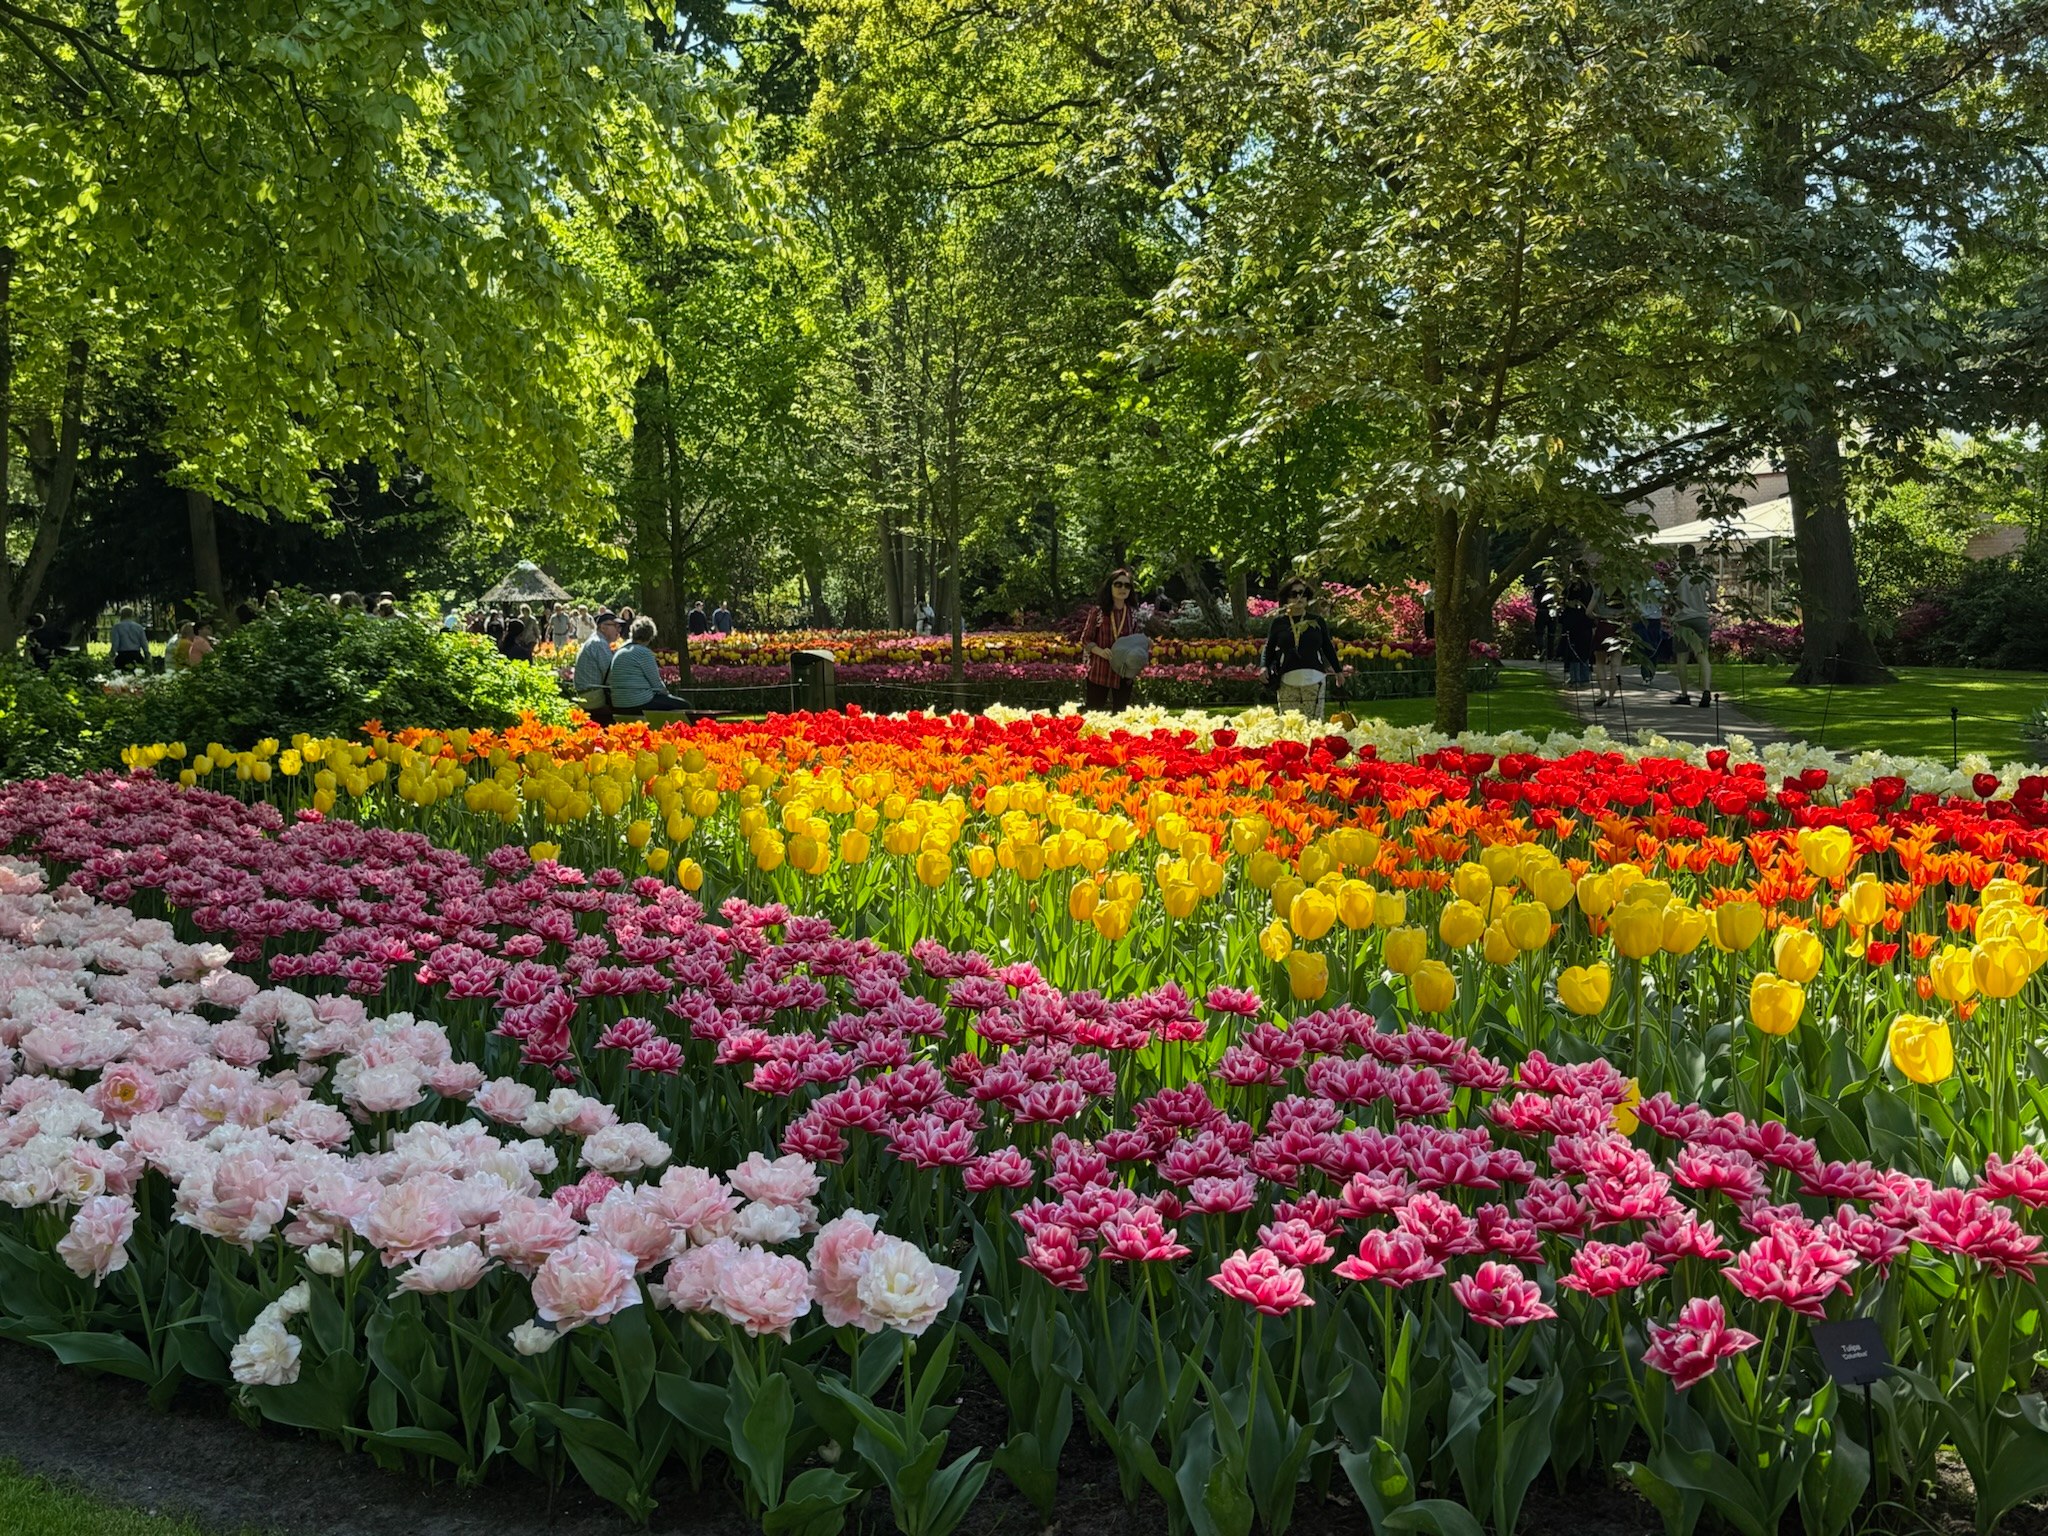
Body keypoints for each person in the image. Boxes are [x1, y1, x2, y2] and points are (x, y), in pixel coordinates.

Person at [1261, 577, 1344, 718]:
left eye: (1303, 593)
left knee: (1313, 723)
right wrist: (1263, 667)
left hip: (1314, 679)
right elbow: (1269, 647)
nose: (1299, 597)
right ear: (1286, 598)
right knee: (1289, 724)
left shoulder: (1317, 621)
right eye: (1294, 594)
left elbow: (1327, 646)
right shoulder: (1279, 622)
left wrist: (1338, 671)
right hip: (1287, 680)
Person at [1080, 568, 1141, 712]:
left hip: (1123, 672)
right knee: (1094, 714)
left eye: (1127, 585)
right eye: (1118, 584)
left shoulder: (1133, 614)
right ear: (1110, 587)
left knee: (1121, 715)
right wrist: (1100, 652)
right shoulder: (1098, 612)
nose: (1122, 589)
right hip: (1100, 671)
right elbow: (1085, 639)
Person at [608, 617, 689, 715]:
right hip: (638, 702)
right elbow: (656, 683)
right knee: (684, 705)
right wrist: (668, 695)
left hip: (618, 703)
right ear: (650, 636)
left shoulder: (620, 651)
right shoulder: (643, 652)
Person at [1670, 544, 1715, 706]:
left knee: (1682, 658)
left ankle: (1684, 694)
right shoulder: (1705, 573)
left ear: (1680, 556)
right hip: (1701, 618)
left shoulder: (1676, 574)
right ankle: (1706, 690)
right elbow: (1713, 598)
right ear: (1695, 555)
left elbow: (1670, 598)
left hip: (1682, 619)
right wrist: (1703, 601)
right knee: (1702, 656)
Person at [574, 610, 621, 714]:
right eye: (615, 626)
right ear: (603, 627)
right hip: (593, 698)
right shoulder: (599, 643)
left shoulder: (596, 640)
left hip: (588, 695)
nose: (619, 630)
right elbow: (612, 675)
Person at [1559, 563, 1596, 689]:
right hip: (1586, 621)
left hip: (1574, 620)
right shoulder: (1590, 585)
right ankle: (1584, 677)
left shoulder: (1575, 584)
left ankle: (1575, 678)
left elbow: (1568, 599)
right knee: (1584, 648)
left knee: (1573, 648)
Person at [1590, 583, 1627, 706]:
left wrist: (1597, 616)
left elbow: (1588, 611)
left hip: (1603, 624)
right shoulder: (1625, 587)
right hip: (1619, 627)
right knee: (1615, 665)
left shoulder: (1600, 588)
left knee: (1600, 662)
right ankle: (1611, 698)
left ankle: (1602, 693)